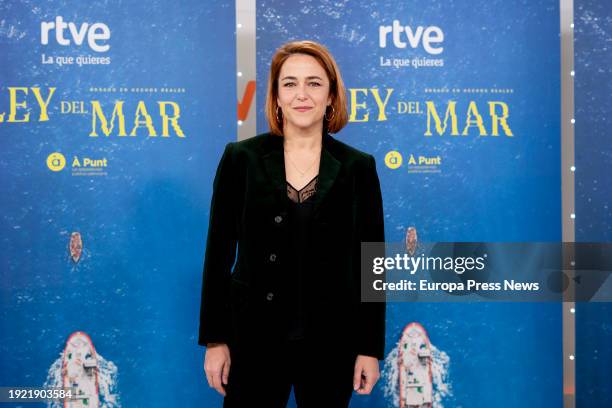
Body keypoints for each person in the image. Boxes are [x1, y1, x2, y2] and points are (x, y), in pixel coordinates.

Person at [198, 40, 385, 407]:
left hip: (331, 342)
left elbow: (372, 264)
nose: (302, 94)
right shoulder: (242, 159)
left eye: (314, 83)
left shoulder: (358, 167)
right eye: (290, 83)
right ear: (276, 96)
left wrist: (369, 348)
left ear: (331, 95)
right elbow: (217, 254)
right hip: (253, 339)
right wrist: (215, 341)